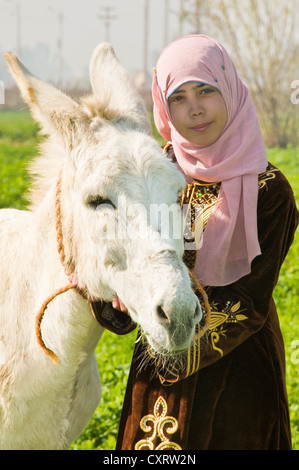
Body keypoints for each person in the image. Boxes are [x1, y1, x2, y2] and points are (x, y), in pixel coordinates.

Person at [115, 35, 299, 450]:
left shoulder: (269, 190)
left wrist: (174, 347)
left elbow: (247, 302)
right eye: (178, 97)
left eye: (206, 91)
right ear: (163, 107)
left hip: (238, 375)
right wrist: (118, 300)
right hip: (158, 370)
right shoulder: (155, 175)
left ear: (229, 90)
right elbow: (128, 261)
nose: (195, 108)